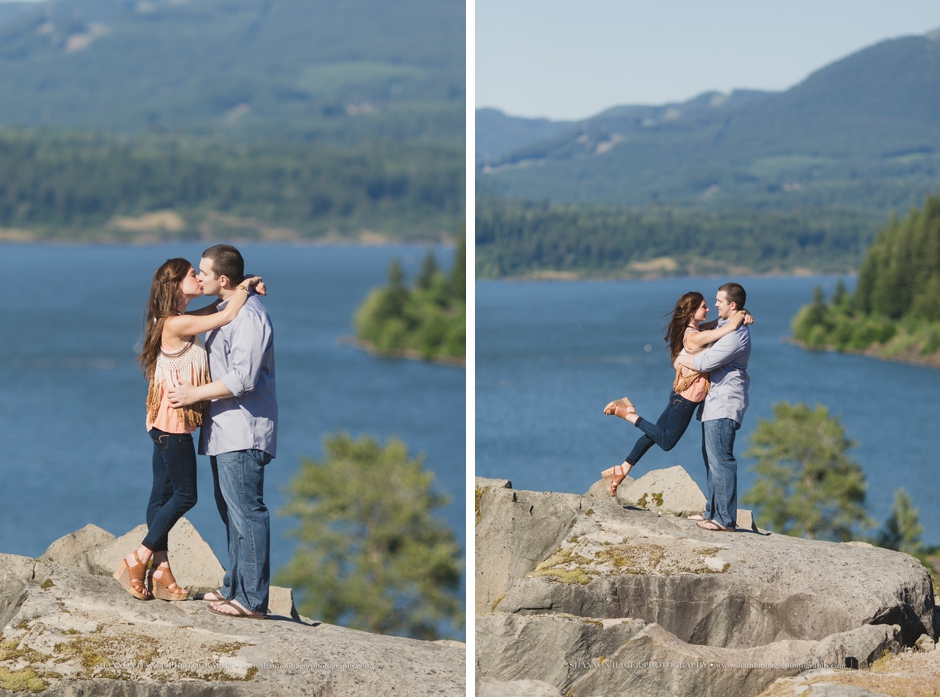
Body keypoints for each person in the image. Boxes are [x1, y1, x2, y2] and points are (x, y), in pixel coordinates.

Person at [114, 258, 261, 601]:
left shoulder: (175, 319)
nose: (198, 276)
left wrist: (245, 283)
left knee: (161, 496)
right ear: (177, 284)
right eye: (192, 274)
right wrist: (246, 285)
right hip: (172, 426)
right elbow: (226, 314)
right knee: (185, 496)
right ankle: (139, 557)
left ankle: (161, 569)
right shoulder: (175, 323)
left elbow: (215, 309)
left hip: (162, 424)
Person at [167, 244, 277, 620]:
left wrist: (193, 394)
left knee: (247, 512)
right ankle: (235, 586)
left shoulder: (248, 317)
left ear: (223, 279)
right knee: (231, 511)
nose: (199, 277)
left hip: (244, 429)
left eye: (204, 272)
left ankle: (252, 601)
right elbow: (184, 320)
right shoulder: (225, 308)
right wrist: (247, 283)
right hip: (224, 430)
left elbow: (243, 379)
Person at [601, 291, 752, 497]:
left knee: (653, 434)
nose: (708, 309)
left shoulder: (697, 329)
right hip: (686, 399)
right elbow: (729, 328)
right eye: (703, 307)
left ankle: (622, 470)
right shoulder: (694, 336)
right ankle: (628, 414)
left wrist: (743, 312)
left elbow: (721, 322)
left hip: (680, 394)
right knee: (666, 441)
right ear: (691, 312)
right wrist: (739, 317)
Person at [674, 282, 751, 532]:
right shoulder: (725, 326)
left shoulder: (736, 336)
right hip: (714, 403)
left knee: (722, 460)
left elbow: (705, 362)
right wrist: (742, 314)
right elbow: (705, 330)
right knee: (711, 459)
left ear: (732, 304)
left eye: (719, 301)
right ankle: (712, 511)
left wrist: (681, 358)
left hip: (724, 403)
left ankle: (725, 520)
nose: (715, 305)